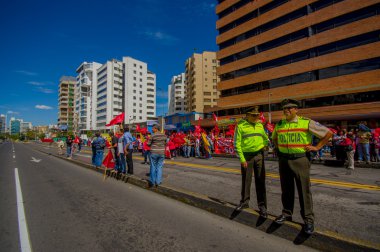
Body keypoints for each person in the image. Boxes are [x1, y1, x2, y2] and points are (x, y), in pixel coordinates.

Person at [272, 99, 333, 235]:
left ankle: (308, 220)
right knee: (286, 189)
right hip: (284, 160)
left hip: (300, 160)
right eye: (284, 109)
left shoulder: (306, 122)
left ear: (296, 110)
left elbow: (328, 133)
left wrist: (316, 147)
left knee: (303, 190)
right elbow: (274, 137)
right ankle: (287, 213)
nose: (286, 111)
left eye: (289, 108)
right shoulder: (280, 124)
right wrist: (277, 147)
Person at [234, 106, 269, 218]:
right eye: (253, 115)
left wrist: (264, 145)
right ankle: (244, 202)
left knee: (260, 181)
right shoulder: (240, 126)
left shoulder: (260, 125)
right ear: (247, 115)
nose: (256, 117)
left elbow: (265, 138)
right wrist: (242, 159)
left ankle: (262, 206)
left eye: (257, 115)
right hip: (247, 157)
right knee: (246, 180)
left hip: (259, 155)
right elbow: (237, 143)